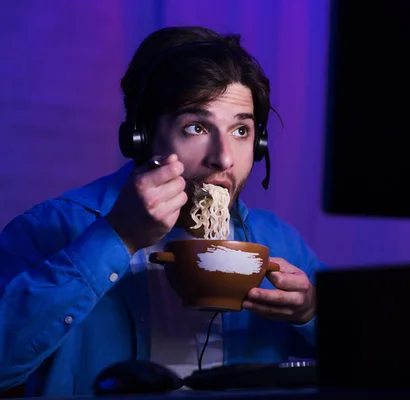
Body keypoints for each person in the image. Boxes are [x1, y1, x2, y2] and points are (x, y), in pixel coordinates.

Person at [0, 26, 327, 396]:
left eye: (241, 131)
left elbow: (380, 360)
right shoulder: (50, 228)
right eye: (196, 127)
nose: (223, 158)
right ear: (142, 137)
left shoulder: (279, 242)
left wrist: (311, 314)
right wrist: (116, 236)